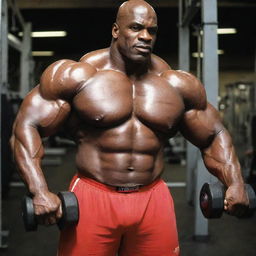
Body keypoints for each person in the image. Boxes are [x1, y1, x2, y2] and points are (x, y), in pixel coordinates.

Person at [10, 0, 249, 255]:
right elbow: (26, 126)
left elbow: (213, 135)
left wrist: (235, 182)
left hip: (152, 198)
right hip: (94, 196)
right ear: (116, 30)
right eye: (135, 28)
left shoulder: (175, 84)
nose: (145, 36)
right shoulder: (79, 76)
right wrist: (39, 191)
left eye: (151, 30)